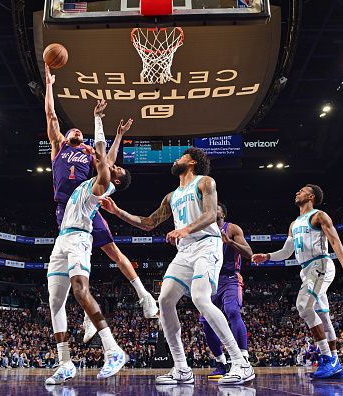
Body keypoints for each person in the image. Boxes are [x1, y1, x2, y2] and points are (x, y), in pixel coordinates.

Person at [101, 148, 252, 385]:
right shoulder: (172, 196)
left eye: (181, 156)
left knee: (201, 299)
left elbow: (212, 214)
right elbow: (149, 223)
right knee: (165, 300)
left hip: (206, 245)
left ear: (191, 162)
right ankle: (181, 368)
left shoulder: (205, 182)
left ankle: (241, 363)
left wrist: (185, 229)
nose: (176, 159)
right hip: (185, 252)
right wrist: (117, 211)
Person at [44, 65, 157, 342]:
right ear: (66, 135)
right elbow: (51, 114)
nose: (77, 132)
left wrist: (114, 136)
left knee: (113, 252)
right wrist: (49, 85)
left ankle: (144, 297)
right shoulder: (58, 147)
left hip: (87, 204)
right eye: (73, 131)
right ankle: (86, 317)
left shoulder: (87, 152)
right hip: (66, 209)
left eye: (80, 132)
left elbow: (108, 163)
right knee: (78, 261)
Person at [45, 114, 132, 385]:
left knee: (81, 291)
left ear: (115, 180)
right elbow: (108, 155)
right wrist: (119, 135)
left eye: (115, 169)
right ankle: (65, 363)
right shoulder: (97, 179)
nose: (112, 166)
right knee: (55, 302)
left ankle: (113, 349)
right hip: (62, 239)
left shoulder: (101, 185)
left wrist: (96, 119)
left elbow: (104, 155)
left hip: (80, 240)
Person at [251, 184, 343, 379]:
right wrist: (267, 256)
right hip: (306, 270)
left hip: (319, 264)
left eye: (302, 190)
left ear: (311, 196)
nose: (297, 192)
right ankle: (335, 362)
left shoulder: (319, 216)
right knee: (322, 316)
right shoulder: (294, 224)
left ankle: (328, 358)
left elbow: (335, 241)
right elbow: (287, 252)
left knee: (303, 306)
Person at [200, 203, 254, 379]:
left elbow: (248, 253)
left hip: (230, 278)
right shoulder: (203, 230)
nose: (212, 209)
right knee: (206, 322)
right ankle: (221, 363)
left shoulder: (231, 228)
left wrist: (229, 242)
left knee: (232, 311)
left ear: (223, 212)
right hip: (209, 280)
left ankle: (243, 358)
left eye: (216, 207)